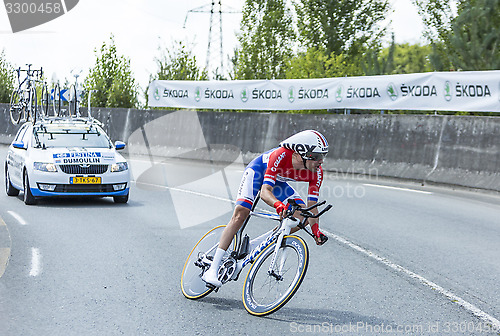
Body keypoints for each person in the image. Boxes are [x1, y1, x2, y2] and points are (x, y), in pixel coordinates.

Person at [202, 130, 329, 287]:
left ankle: (254, 246)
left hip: (278, 182)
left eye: (323, 156)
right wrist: (278, 204)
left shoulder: (317, 173)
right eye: (316, 157)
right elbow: (264, 192)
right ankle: (212, 270)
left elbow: (312, 209)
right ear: (298, 153)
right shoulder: (281, 155)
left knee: (302, 217)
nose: (320, 162)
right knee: (241, 214)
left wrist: (316, 230)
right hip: (258, 172)